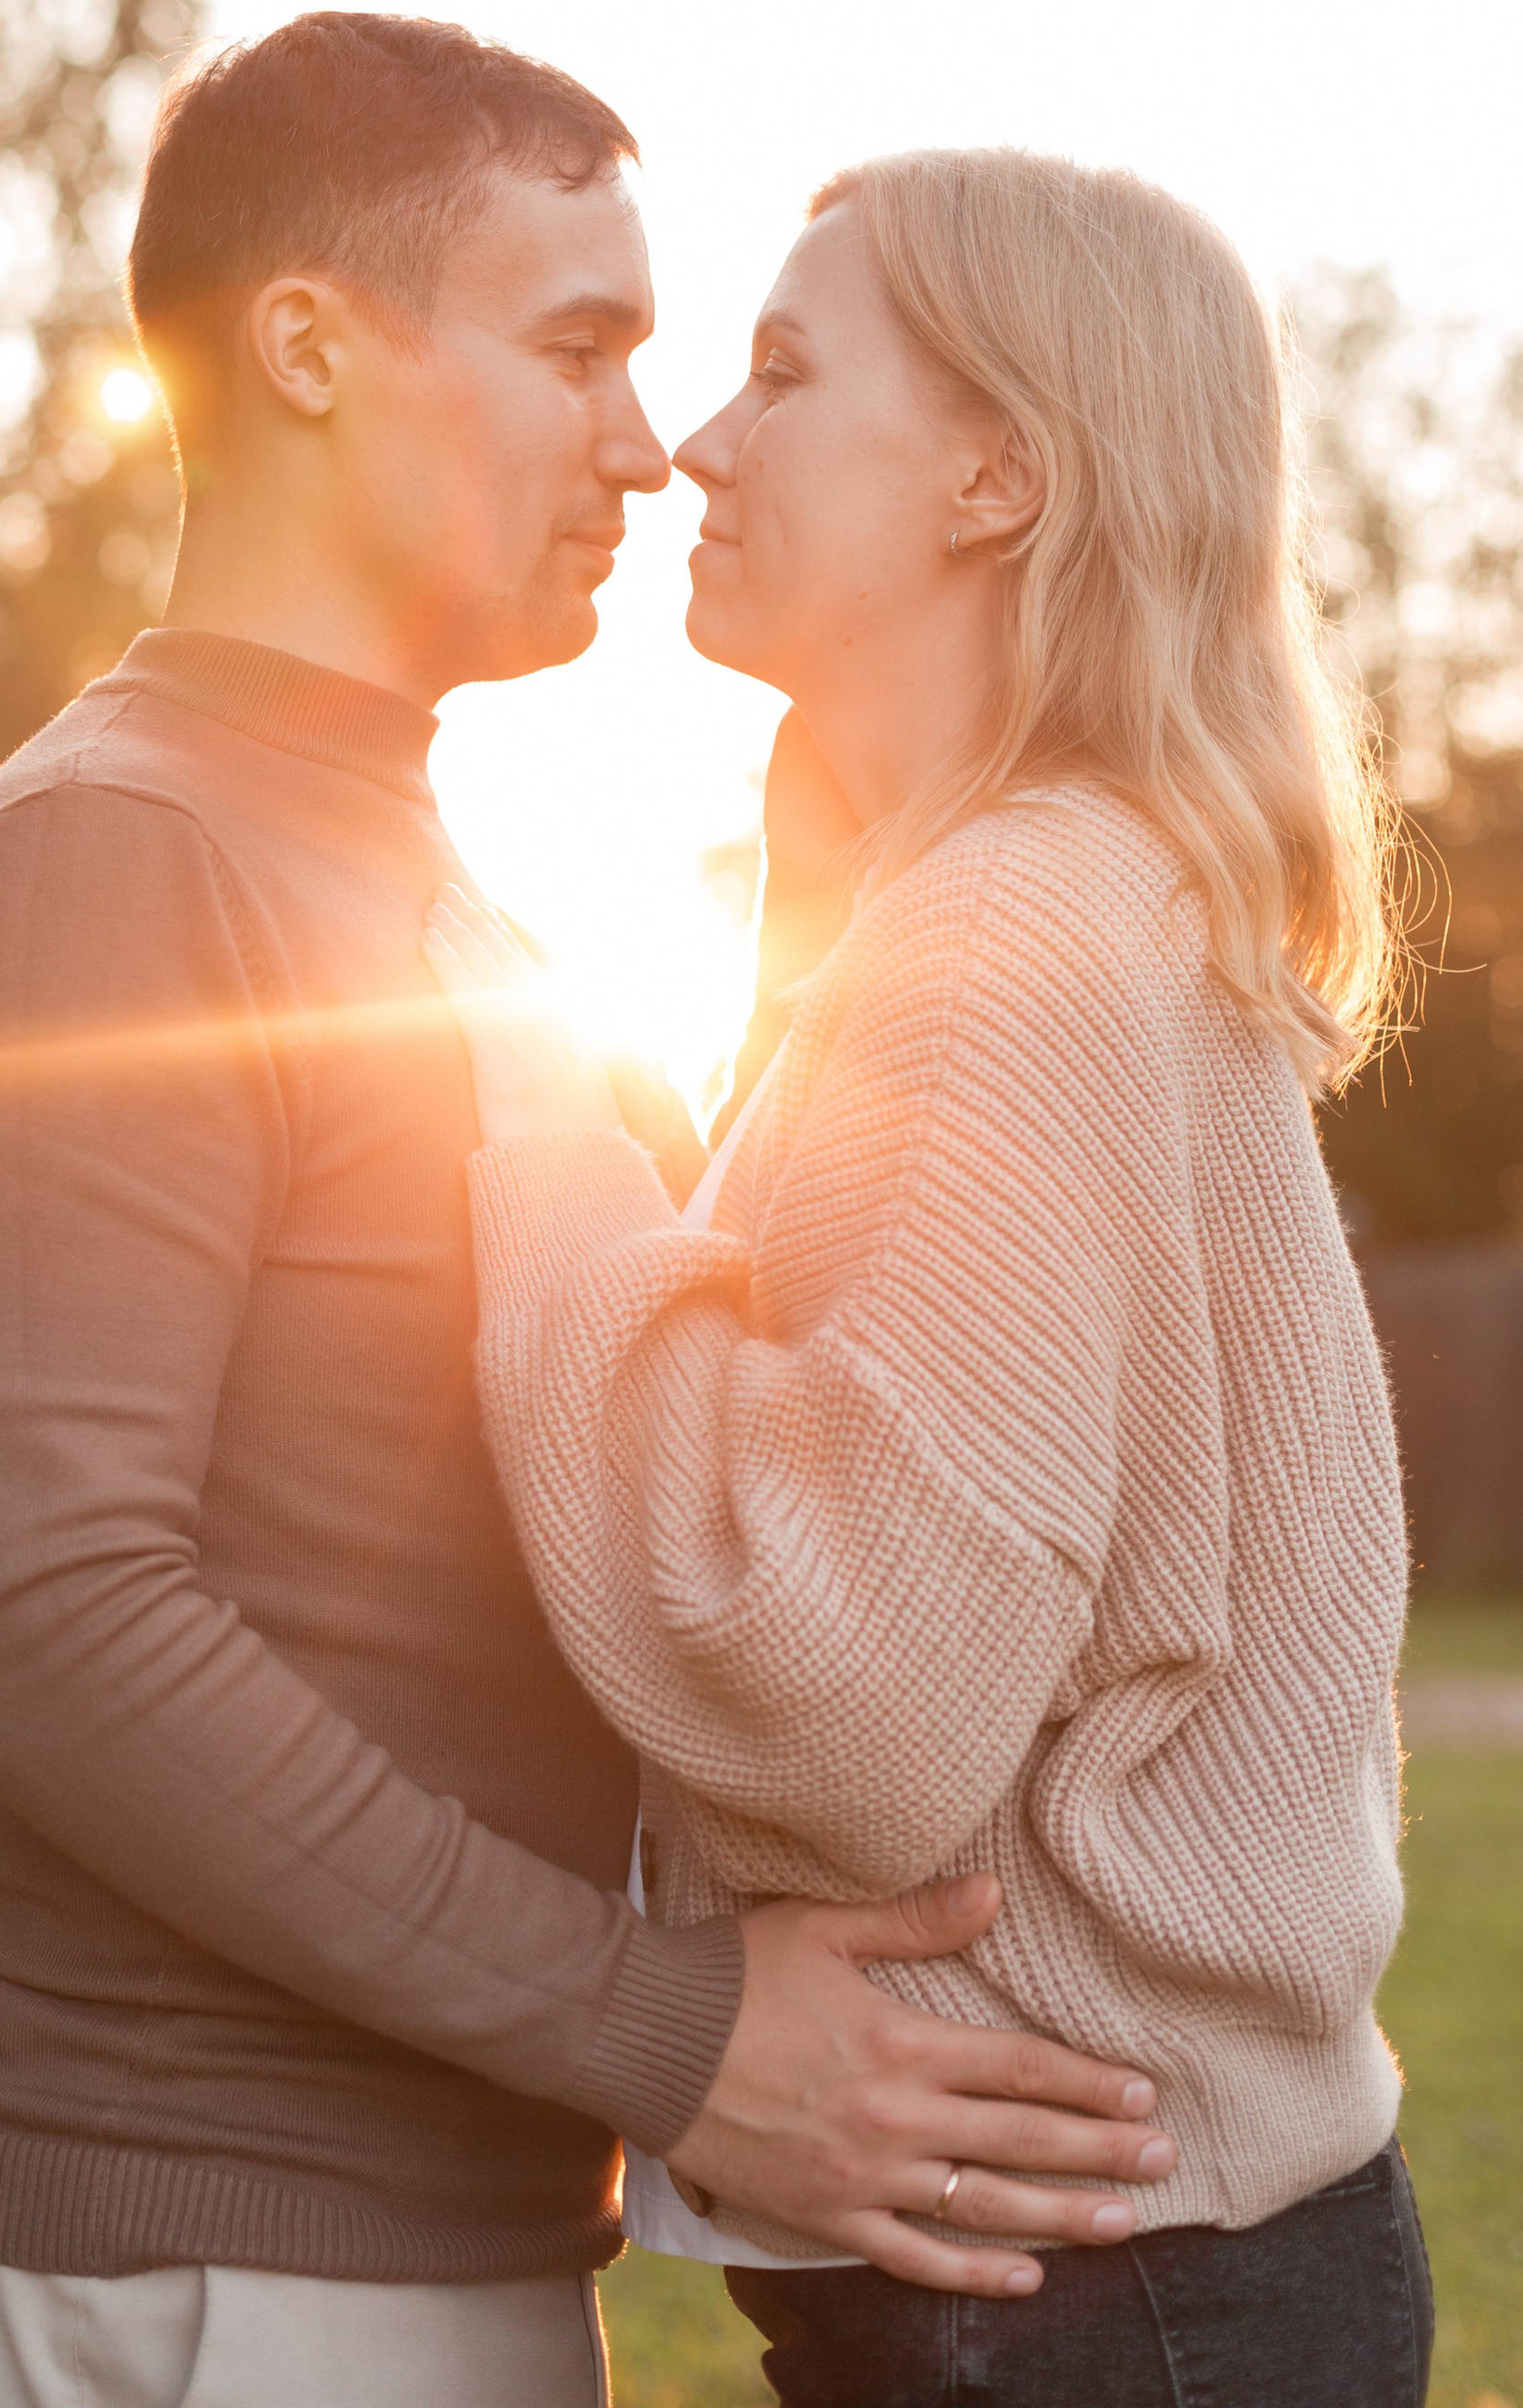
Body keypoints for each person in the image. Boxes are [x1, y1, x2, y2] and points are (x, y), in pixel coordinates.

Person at [0, 31, 1178, 2408]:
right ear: (309, 347)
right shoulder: (111, 862)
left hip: (404, 2244)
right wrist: (669, 2032)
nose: (645, 444)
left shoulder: (415, 873)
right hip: (176, 2256)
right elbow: (43, 1617)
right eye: (578, 347)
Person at [427, 145, 1432, 2407]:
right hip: (1137, 2261)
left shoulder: (1004, 932)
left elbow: (851, 1706)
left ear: (995, 477)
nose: (696, 443)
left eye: (783, 375)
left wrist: (544, 1152)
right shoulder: (1034, 894)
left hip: (1088, 2294)